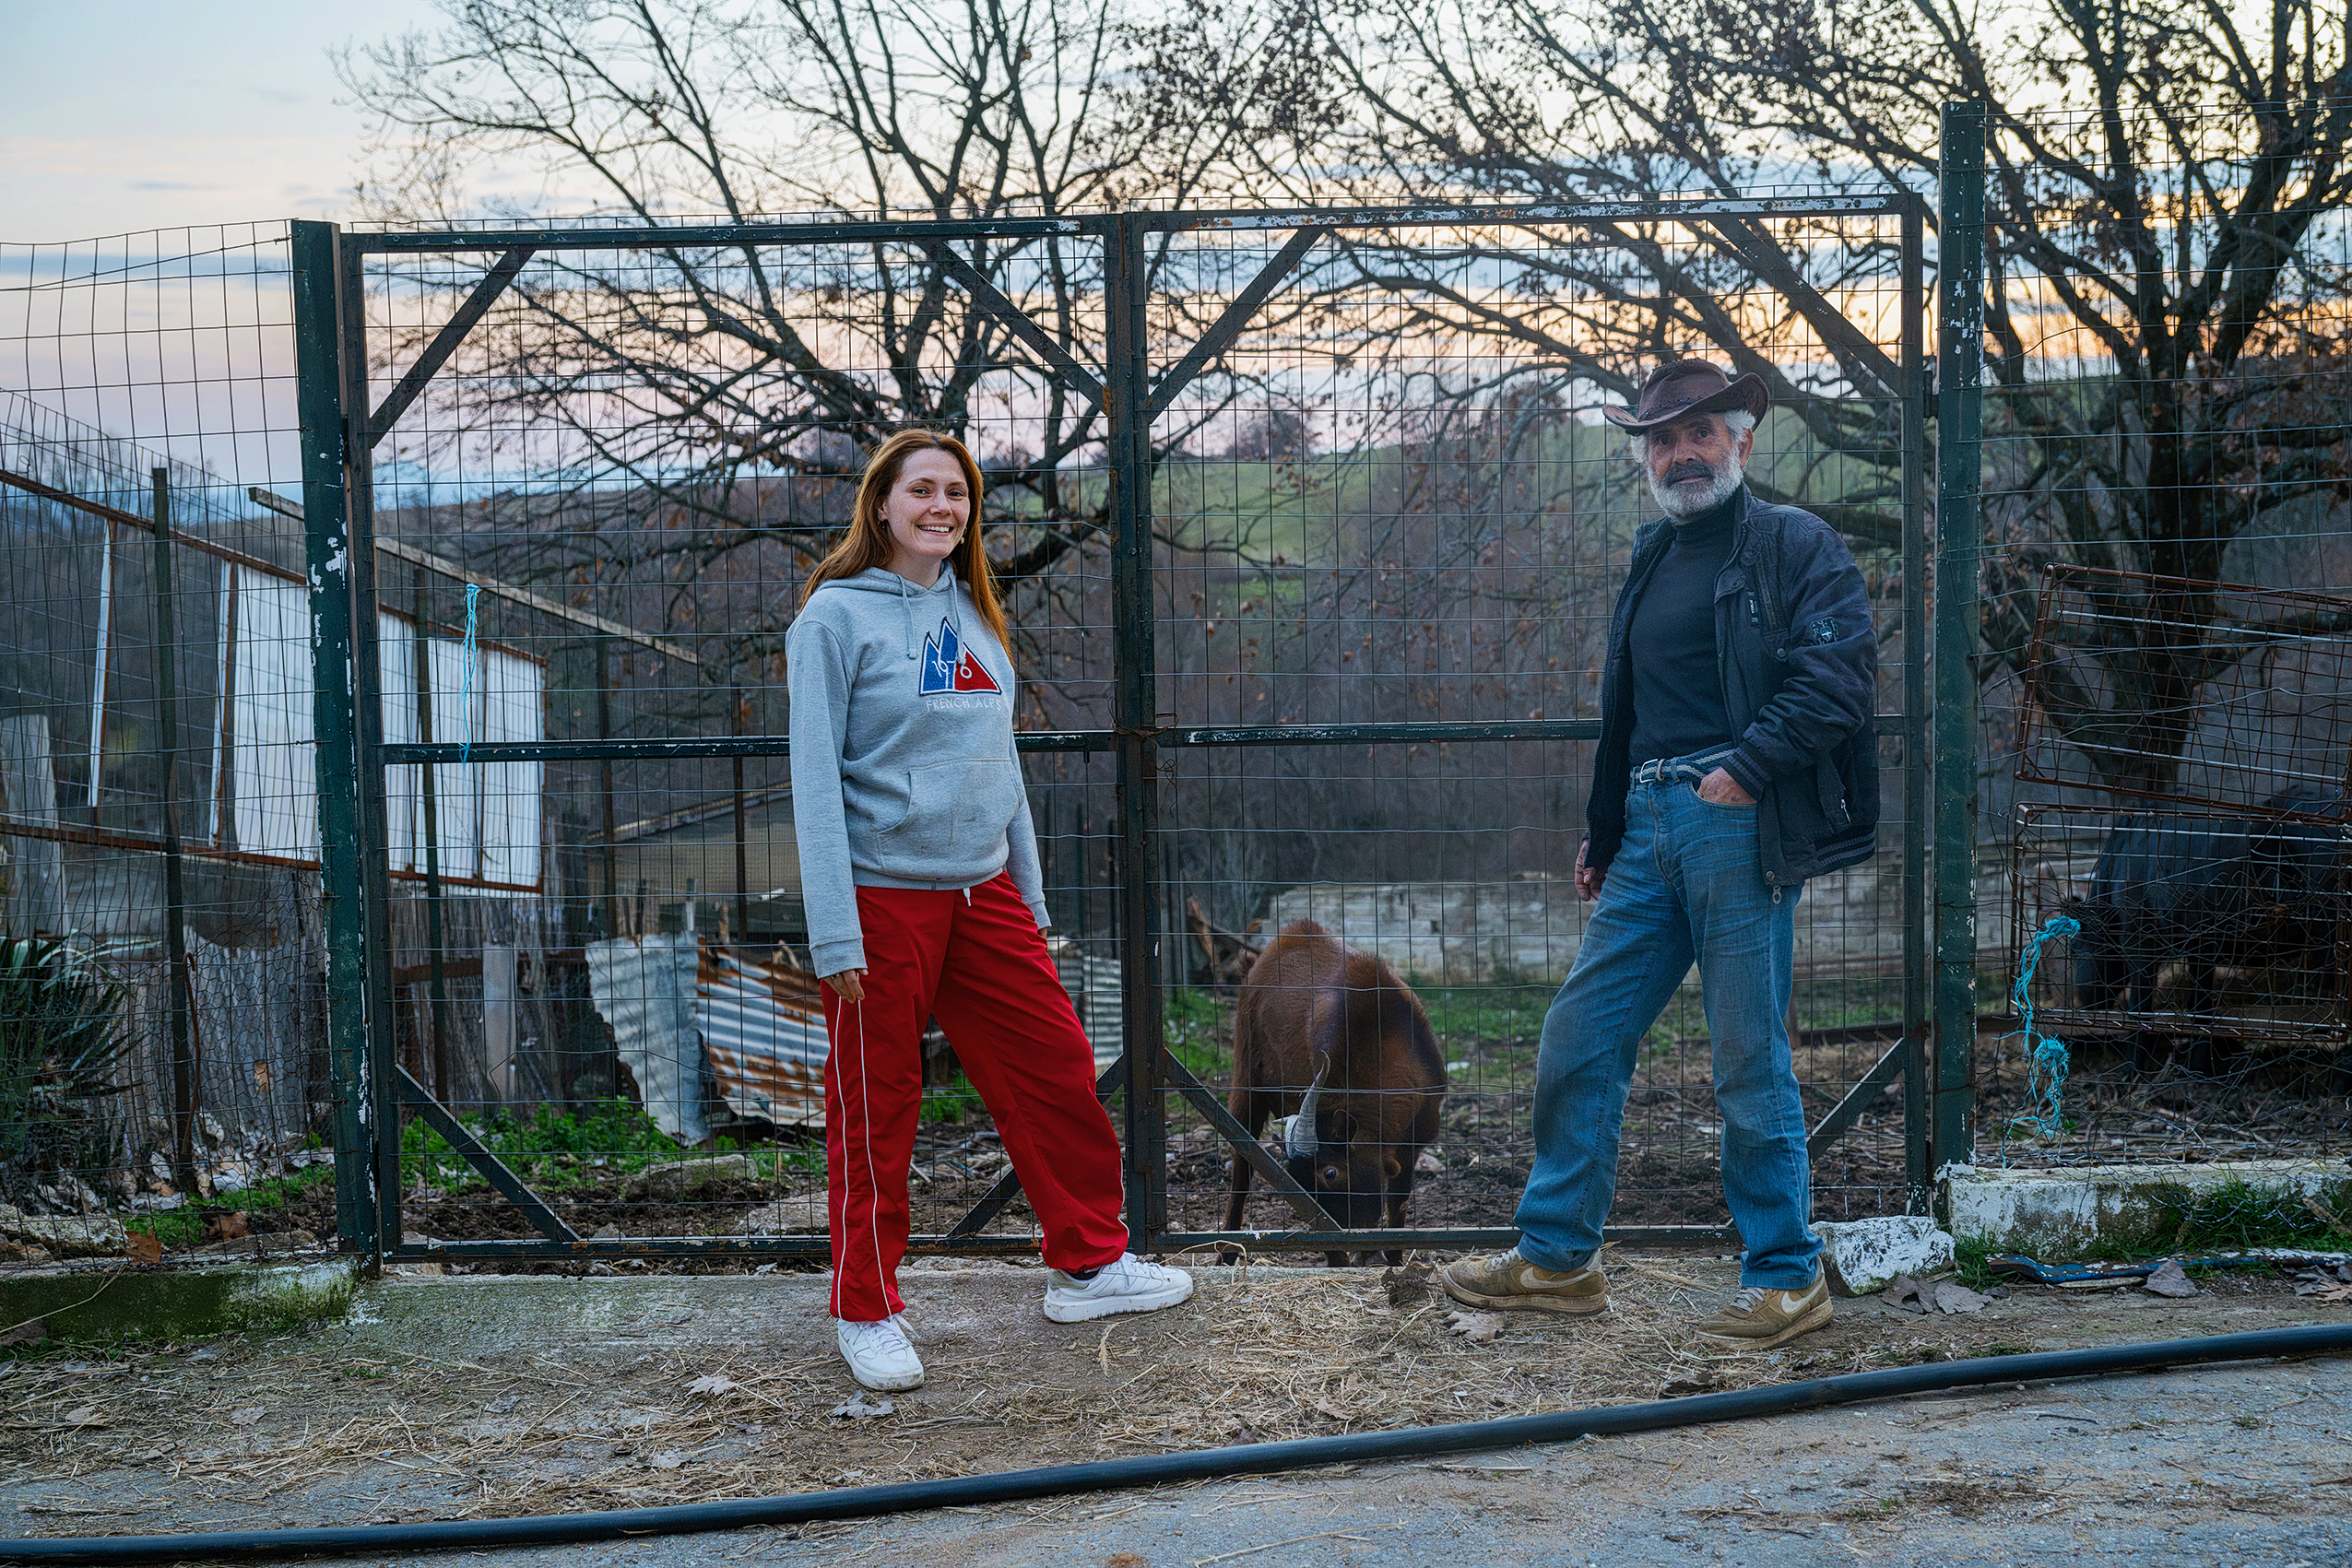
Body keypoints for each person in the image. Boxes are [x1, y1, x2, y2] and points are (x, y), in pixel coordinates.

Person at [1439, 360, 1878, 1351]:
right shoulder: (1654, 555)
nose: (1681, 454)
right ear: (1645, 456)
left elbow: (1839, 677)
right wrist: (1606, 829)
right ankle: (1557, 1260)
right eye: (1661, 439)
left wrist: (1745, 770)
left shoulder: (1793, 543)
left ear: (1740, 442)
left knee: (1745, 1056)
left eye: (1699, 434)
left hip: (1735, 820)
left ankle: (1785, 1274)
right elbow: (1627, 711)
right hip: (1647, 826)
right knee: (1578, 1033)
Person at [787, 428, 1194, 1392]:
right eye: (922, 490)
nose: (942, 507)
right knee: (876, 1107)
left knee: (1055, 1066)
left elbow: (998, 766)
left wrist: (1031, 898)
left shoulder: (973, 612)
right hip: (882, 901)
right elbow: (812, 784)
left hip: (985, 895)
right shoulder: (832, 620)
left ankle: (1089, 1266)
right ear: (880, 504)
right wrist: (834, 930)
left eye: (958, 493)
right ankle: (866, 1307)